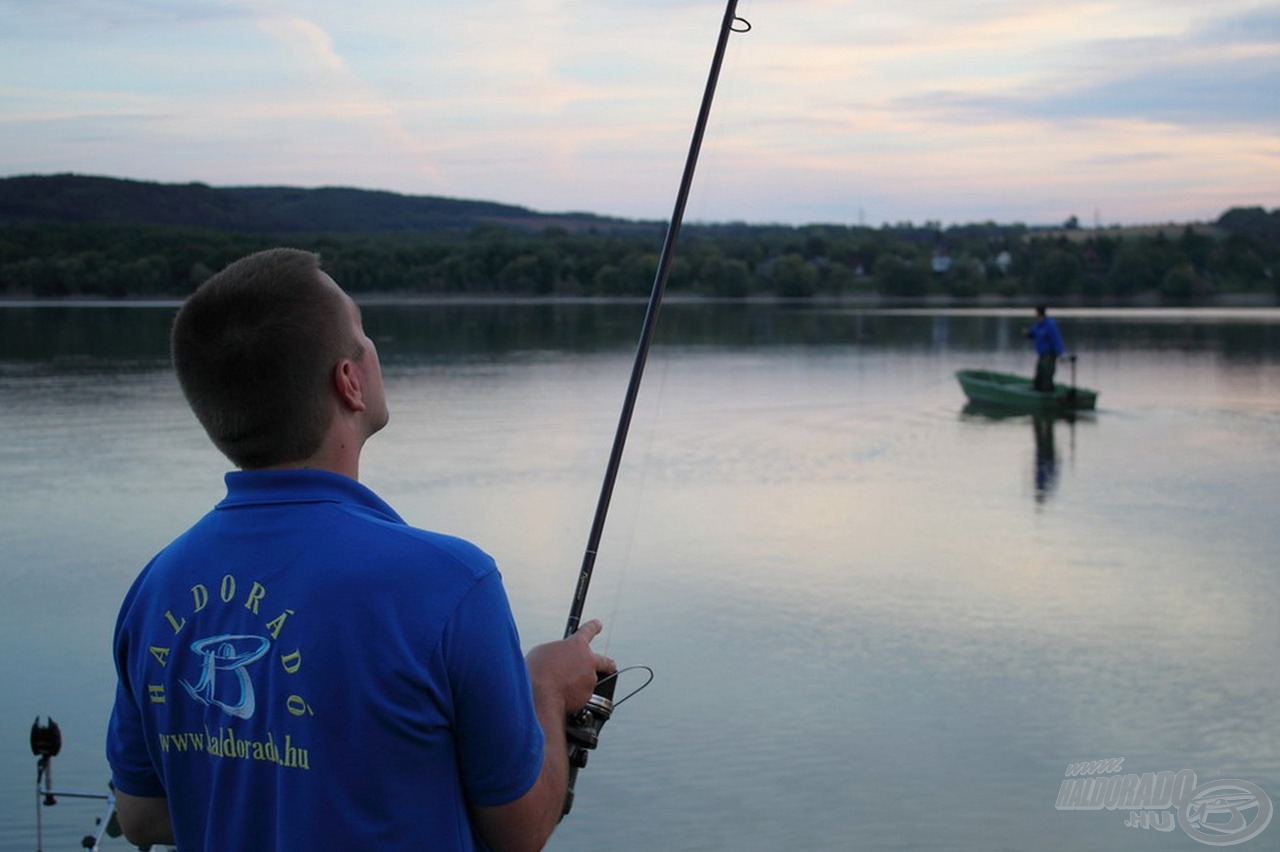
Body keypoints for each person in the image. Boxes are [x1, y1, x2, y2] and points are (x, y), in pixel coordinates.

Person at [106, 248, 614, 852]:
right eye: (363, 335)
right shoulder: (451, 583)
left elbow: (140, 816)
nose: (374, 350)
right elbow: (521, 829)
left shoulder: (158, 585)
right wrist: (547, 688)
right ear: (349, 381)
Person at [1024, 304, 1066, 392]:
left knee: (1047, 374)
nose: (1036, 317)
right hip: (1042, 355)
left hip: (1049, 354)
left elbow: (1056, 339)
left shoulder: (1050, 325)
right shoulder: (1038, 325)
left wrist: (1060, 354)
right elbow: (1033, 334)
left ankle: (1047, 394)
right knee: (1039, 374)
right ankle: (1037, 391)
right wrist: (1027, 334)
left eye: (1037, 315)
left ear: (1041, 315)